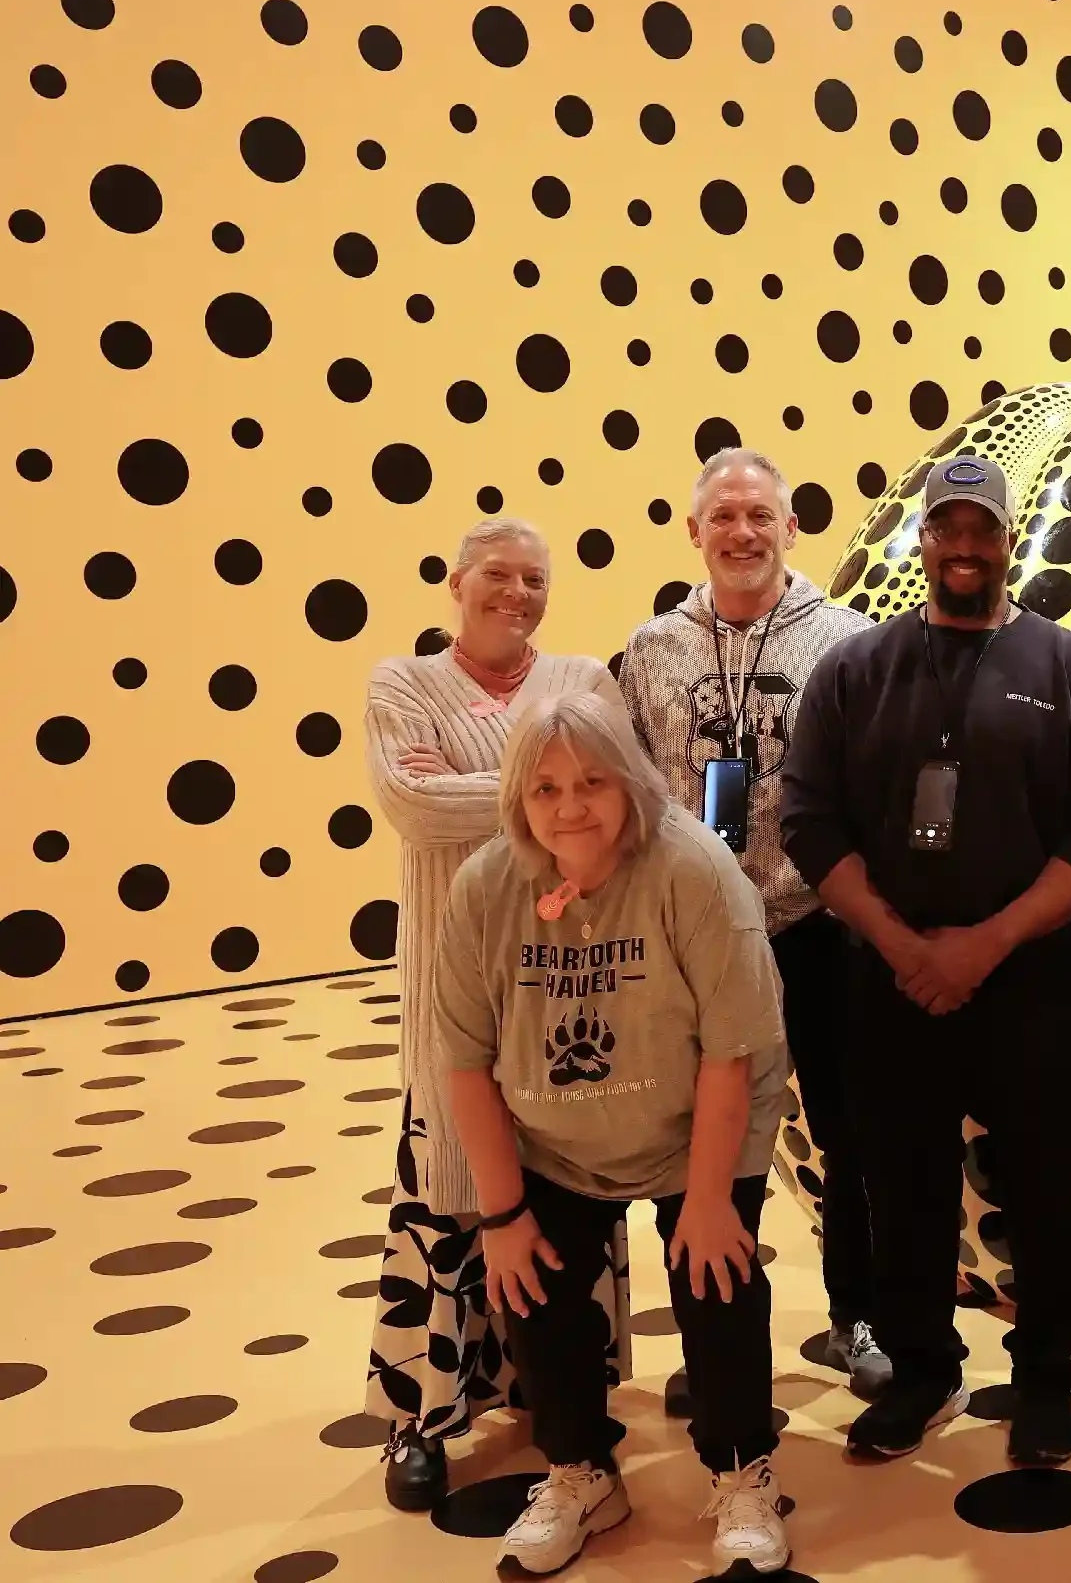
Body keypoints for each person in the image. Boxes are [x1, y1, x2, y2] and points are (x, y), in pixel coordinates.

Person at [780, 454, 1071, 1468]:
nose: (966, 544)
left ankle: (1043, 1382)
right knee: (899, 1186)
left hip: (1029, 980)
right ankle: (923, 1371)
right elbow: (808, 822)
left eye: (983, 526)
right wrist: (904, 945)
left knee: (1042, 1190)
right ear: (924, 541)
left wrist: (984, 943)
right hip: (886, 979)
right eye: (949, 527)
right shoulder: (855, 669)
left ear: (1008, 537)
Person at [436, 693, 796, 1577]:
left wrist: (709, 1200)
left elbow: (731, 1051)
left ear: (631, 783)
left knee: (717, 1283)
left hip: (695, 1122)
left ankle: (741, 1468)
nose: (570, 806)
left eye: (592, 781)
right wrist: (503, 1216)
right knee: (533, 1287)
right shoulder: (485, 887)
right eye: (547, 787)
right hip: (552, 1138)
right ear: (517, 798)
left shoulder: (695, 871)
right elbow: (464, 1062)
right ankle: (582, 1470)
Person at [359, 518, 633, 1512]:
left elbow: (623, 793)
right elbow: (413, 804)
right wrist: (560, 793)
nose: (515, 593)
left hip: (568, 977)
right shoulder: (401, 683)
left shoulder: (583, 679)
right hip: (453, 969)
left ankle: (552, 1386)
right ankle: (423, 1414)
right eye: (498, 576)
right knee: (447, 1189)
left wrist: (512, 790)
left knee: (562, 1180)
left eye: (533, 579)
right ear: (455, 580)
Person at [620, 447, 890, 1396]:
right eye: (723, 517)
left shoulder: (851, 642)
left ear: (790, 527)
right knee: (701, 1141)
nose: (742, 532)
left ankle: (859, 1318)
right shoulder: (651, 650)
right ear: (694, 531)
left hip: (821, 923)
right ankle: (718, 1343)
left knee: (854, 1132)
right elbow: (636, 794)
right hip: (698, 935)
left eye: (759, 516)